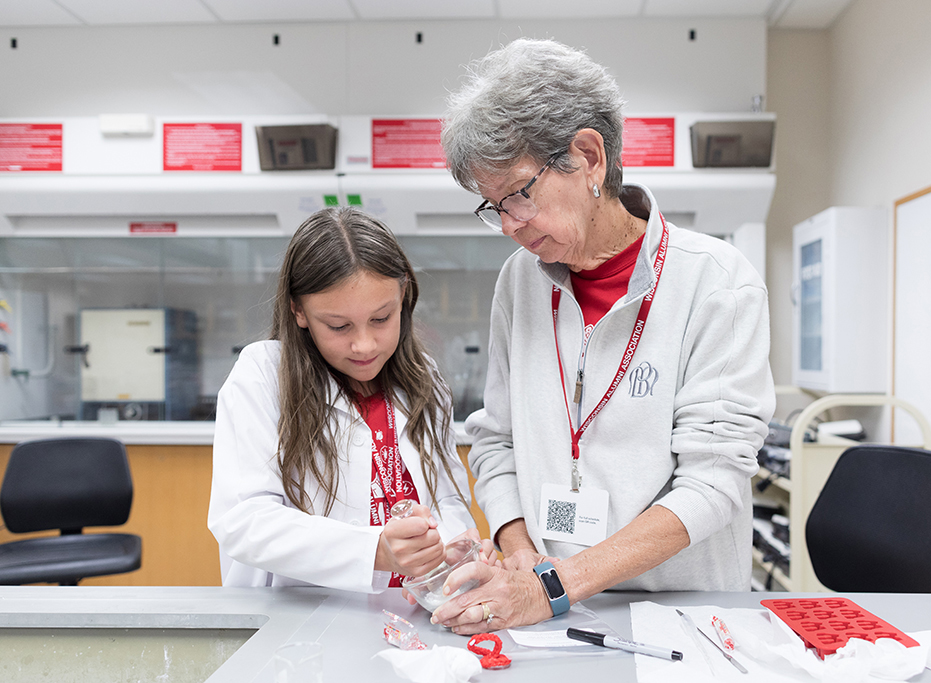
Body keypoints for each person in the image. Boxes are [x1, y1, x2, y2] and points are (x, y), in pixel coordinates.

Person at [430, 38, 775, 634]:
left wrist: (555, 586)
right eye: (493, 207)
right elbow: (495, 441)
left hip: (681, 617)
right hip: (545, 612)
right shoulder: (521, 282)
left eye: (518, 194)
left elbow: (714, 480)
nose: (510, 226)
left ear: (589, 156)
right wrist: (519, 551)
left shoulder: (716, 283)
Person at [209, 206, 489, 592]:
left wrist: (458, 546)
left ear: (403, 295)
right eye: (338, 326)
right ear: (298, 310)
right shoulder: (262, 375)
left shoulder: (424, 379)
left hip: (412, 609)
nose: (364, 345)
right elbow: (245, 521)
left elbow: (446, 497)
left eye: (381, 318)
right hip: (301, 622)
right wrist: (373, 550)